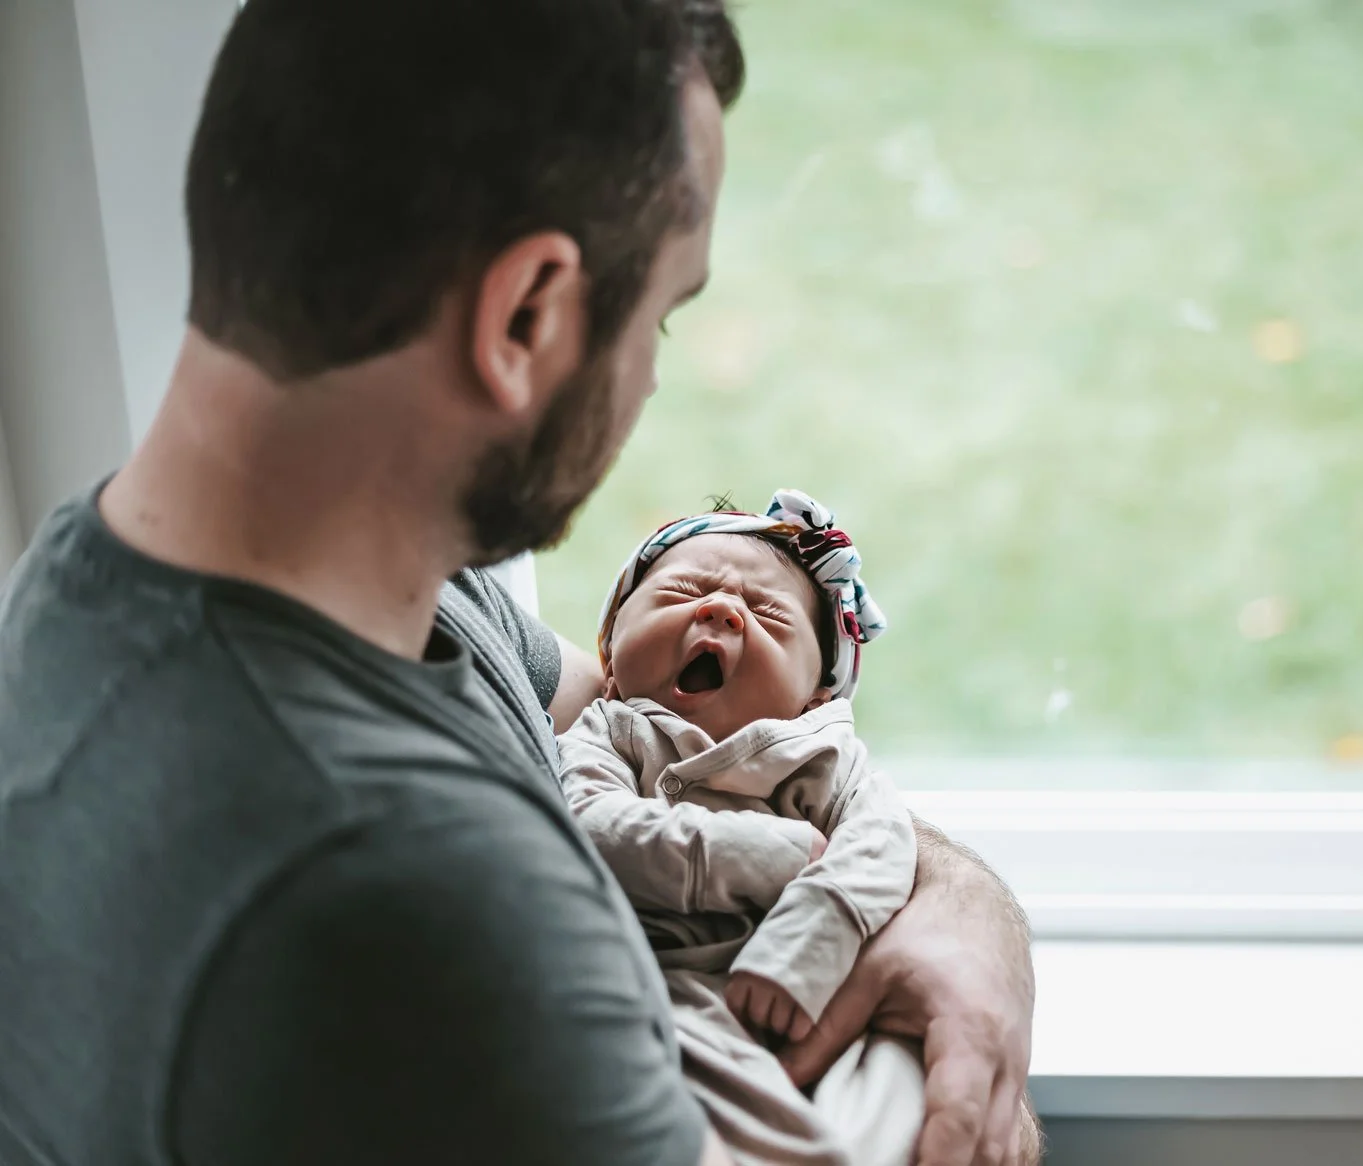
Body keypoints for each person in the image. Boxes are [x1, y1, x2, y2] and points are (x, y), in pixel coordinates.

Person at [0, 2, 1039, 1164]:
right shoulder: (417, 903)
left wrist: (959, 906)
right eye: (660, 314)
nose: (648, 379)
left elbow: (646, 719)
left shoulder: (257, 584)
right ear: (526, 315)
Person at [562, 490, 923, 1164]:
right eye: (682, 592)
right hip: (664, 982)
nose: (720, 609)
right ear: (609, 651)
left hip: (813, 980)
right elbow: (586, 829)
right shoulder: (611, 732)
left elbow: (881, 843)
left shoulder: (823, 756)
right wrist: (769, 853)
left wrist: (811, 935)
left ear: (816, 692)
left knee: (901, 1092)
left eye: (768, 614)